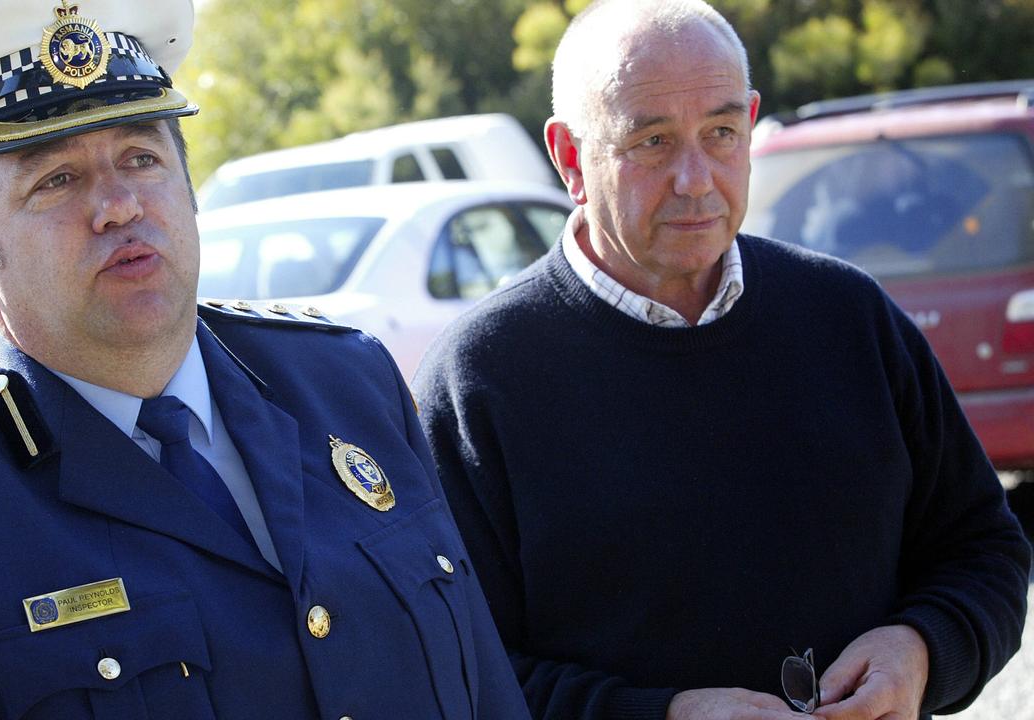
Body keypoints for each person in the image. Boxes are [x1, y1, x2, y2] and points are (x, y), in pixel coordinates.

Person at [0, 1, 529, 719]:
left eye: (140, 158)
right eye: (56, 180)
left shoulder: (345, 378)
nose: (119, 205)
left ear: (190, 192)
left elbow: (486, 676)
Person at [411, 2, 1032, 720]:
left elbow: (986, 549)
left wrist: (923, 649)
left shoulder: (850, 317)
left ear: (751, 123)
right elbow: (450, 670)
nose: (695, 177)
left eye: (721, 132)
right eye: (652, 142)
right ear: (571, 158)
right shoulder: (478, 380)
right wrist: (662, 715)